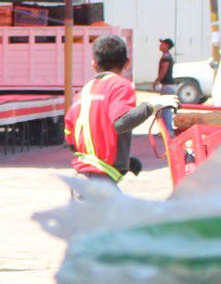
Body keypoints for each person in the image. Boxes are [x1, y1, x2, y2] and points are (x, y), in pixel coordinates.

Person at [66, 34, 155, 182]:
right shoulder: (119, 85)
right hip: (99, 183)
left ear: (94, 64)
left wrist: (122, 157)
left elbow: (72, 141)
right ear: (127, 63)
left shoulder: (82, 94)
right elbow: (121, 123)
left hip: (82, 180)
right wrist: (151, 106)